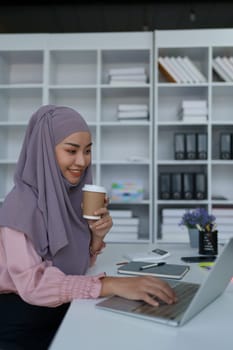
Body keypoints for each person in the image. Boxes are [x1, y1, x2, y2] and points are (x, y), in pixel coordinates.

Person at [0, 105, 177, 350]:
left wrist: (94, 239)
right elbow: (34, 285)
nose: (82, 162)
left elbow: (71, 266)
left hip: (63, 308)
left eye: (87, 151)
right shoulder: (19, 205)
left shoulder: (66, 198)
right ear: (44, 151)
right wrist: (110, 284)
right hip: (23, 322)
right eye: (71, 151)